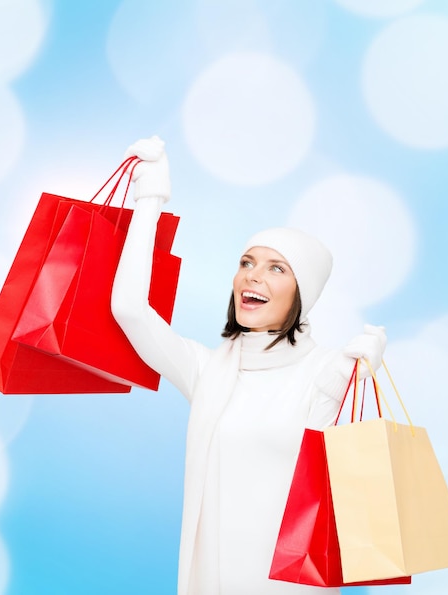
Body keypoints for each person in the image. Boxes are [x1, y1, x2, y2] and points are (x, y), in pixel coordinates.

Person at [112, 136, 387, 595]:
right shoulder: (209, 371)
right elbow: (129, 311)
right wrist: (150, 200)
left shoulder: (325, 373)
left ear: (304, 295)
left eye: (277, 268)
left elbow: (346, 479)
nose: (253, 276)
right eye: (247, 262)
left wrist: (358, 376)